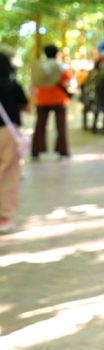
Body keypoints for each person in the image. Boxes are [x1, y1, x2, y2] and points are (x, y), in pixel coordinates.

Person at [0, 52, 30, 234]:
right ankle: (3, 217)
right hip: (8, 133)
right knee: (10, 173)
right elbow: (26, 106)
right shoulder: (13, 86)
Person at [30, 45, 74, 160]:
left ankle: (36, 151)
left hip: (41, 101)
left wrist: (34, 97)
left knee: (39, 126)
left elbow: (32, 86)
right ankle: (63, 151)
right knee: (61, 127)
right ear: (57, 54)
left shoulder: (38, 68)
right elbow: (70, 83)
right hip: (59, 101)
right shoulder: (63, 67)